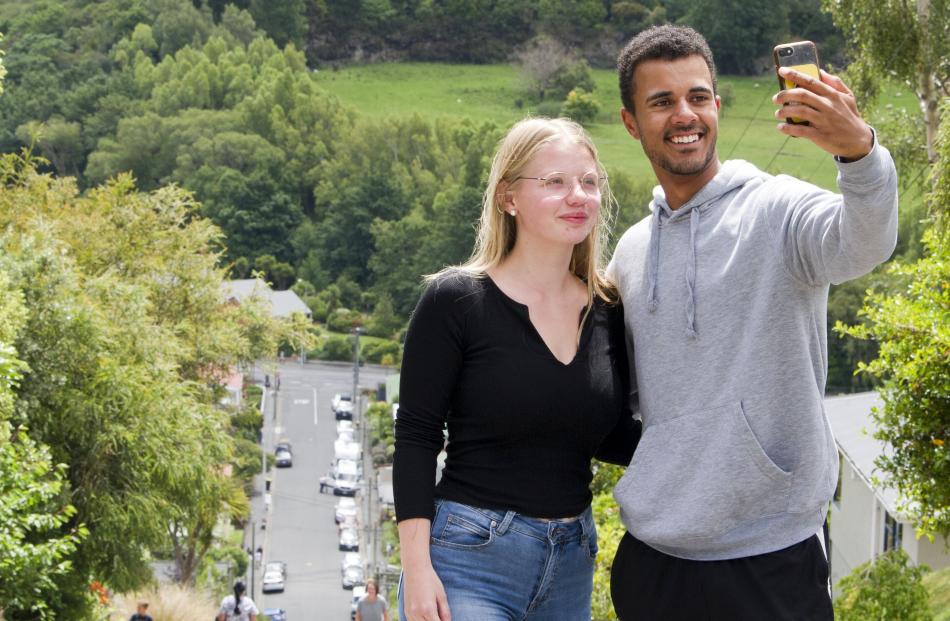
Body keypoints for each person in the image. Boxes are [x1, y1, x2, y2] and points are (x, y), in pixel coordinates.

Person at [607, 25, 898, 620]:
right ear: (632, 122)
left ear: (717, 103)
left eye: (697, 96)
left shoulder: (778, 209)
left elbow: (864, 242)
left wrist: (860, 153)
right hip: (653, 560)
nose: (684, 114)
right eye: (661, 102)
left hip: (771, 558)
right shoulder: (633, 253)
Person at [393, 116, 640, 621]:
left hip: (571, 562)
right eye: (555, 182)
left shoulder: (607, 309)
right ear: (508, 198)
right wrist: (417, 570)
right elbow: (417, 437)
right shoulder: (456, 301)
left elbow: (609, 438)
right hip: (469, 559)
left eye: (589, 182)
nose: (578, 196)